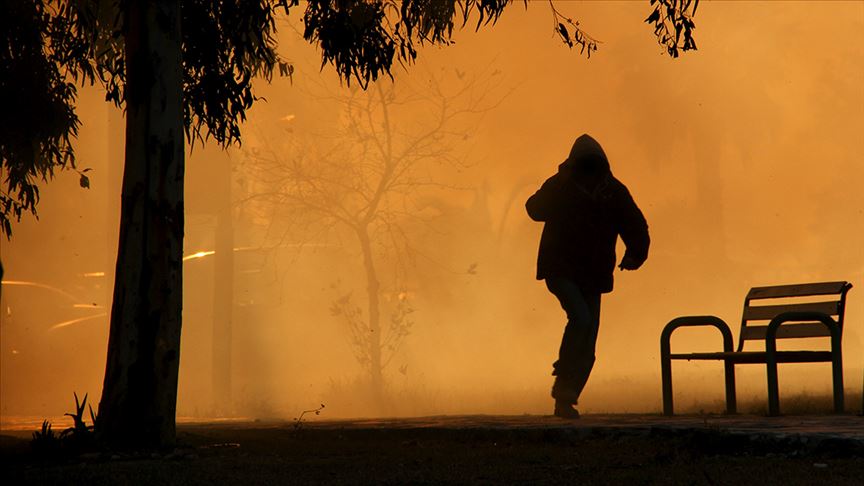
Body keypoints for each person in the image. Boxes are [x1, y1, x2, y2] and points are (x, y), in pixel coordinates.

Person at [525, 134, 650, 419]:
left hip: (593, 273)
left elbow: (635, 225)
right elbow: (534, 210)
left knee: (589, 345)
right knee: (581, 319)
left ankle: (566, 399)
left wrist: (635, 254)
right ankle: (564, 379)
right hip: (561, 269)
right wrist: (559, 180)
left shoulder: (613, 192)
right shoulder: (561, 187)